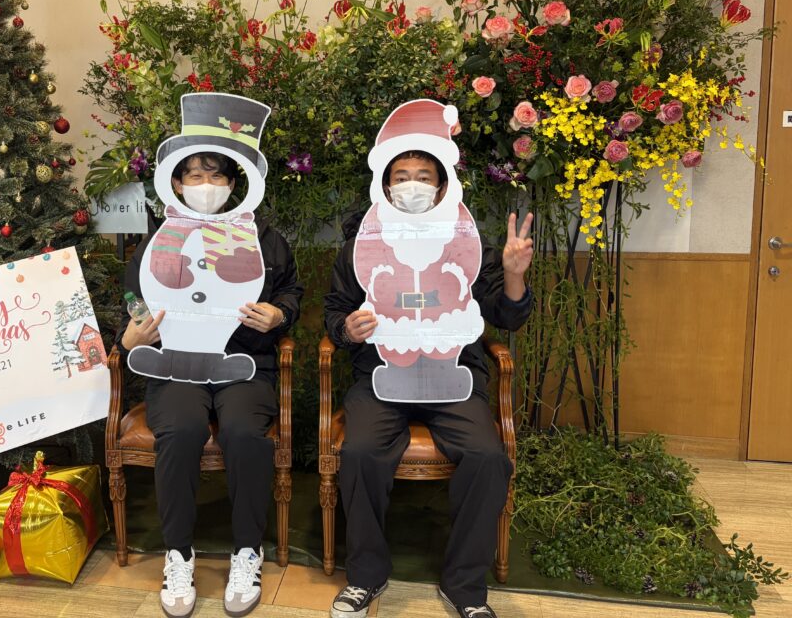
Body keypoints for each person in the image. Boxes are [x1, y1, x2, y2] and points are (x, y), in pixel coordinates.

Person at [325, 148, 534, 618]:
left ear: (442, 188)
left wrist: (514, 277)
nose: (412, 186)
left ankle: (465, 587)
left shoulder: (467, 244)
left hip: (454, 378)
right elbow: (335, 311)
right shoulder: (362, 245)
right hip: (381, 376)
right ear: (385, 185)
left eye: (423, 177)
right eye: (402, 177)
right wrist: (347, 328)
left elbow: (507, 315)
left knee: (487, 457)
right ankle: (366, 576)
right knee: (360, 453)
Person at [118, 151, 304, 618]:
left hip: (246, 363)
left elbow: (290, 291)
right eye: (195, 175)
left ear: (232, 184)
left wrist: (280, 314)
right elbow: (133, 294)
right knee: (180, 430)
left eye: (216, 175)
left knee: (244, 432)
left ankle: (247, 551)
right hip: (177, 365)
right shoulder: (160, 238)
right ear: (177, 185)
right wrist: (133, 332)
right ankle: (178, 554)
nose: (206, 184)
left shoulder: (263, 237)